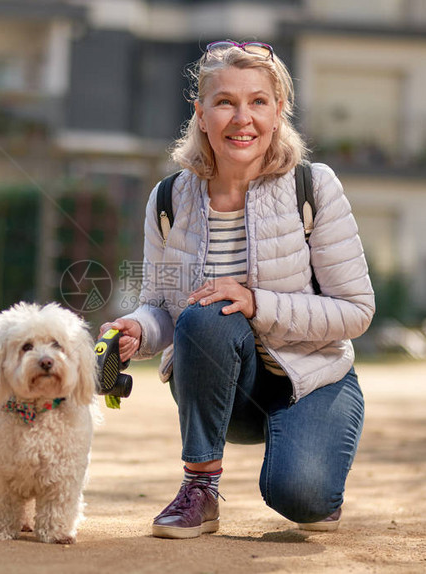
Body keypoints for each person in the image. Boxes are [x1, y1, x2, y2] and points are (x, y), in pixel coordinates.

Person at [99, 40, 374, 539]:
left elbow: (356, 310)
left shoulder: (314, 188)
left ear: (279, 111)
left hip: (313, 380)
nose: (241, 118)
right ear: (201, 113)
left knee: (304, 498)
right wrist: (138, 329)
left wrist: (257, 303)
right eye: (225, 101)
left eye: (258, 101)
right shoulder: (169, 198)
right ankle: (199, 490)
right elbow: (164, 307)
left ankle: (312, 468)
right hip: (228, 391)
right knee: (207, 313)